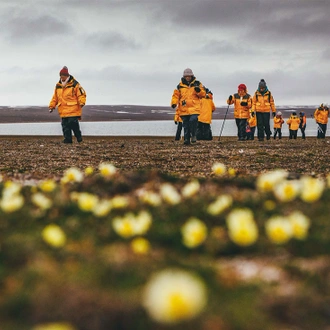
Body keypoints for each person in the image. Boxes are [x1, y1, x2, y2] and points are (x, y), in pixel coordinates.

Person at [49, 66, 86, 143]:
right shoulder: (58, 86)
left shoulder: (75, 84)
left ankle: (78, 137)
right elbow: (55, 97)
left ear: (67, 76)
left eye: (63, 75)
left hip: (73, 109)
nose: (62, 77)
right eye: (61, 75)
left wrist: (82, 102)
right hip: (63, 110)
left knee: (73, 123)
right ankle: (68, 139)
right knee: (65, 125)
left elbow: (81, 94)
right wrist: (52, 106)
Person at [171, 68, 205, 145]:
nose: (188, 78)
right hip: (184, 108)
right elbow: (175, 96)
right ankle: (186, 139)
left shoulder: (198, 83)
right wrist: (174, 103)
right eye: (186, 76)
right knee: (185, 124)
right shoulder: (180, 86)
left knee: (193, 120)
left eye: (189, 76)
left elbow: (202, 95)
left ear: (191, 76)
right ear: (184, 76)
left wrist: (198, 91)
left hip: (194, 107)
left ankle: (193, 135)